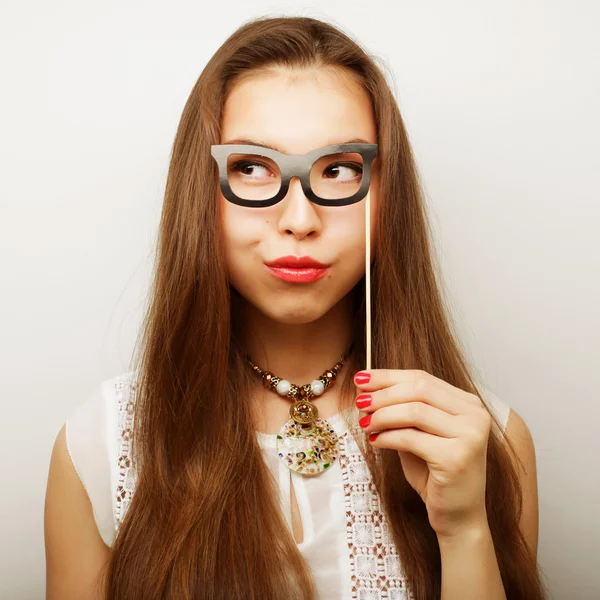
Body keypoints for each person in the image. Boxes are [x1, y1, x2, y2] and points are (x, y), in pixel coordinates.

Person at [44, 15, 546, 600]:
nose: (300, 220)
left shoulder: (488, 440)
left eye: (338, 171)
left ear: (388, 193)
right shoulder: (102, 444)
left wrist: (464, 532)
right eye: (252, 168)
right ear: (200, 192)